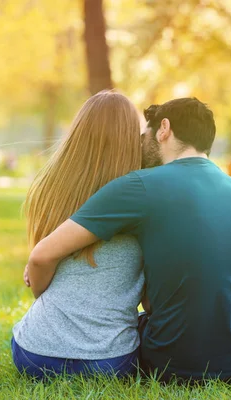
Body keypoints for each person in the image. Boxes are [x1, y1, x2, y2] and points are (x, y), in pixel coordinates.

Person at [25, 97, 231, 383]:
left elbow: (43, 254)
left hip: (177, 366)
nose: (140, 144)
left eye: (144, 134)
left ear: (163, 129)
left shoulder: (140, 185)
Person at [12, 91, 144, 380]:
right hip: (110, 362)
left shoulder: (51, 187)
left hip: (34, 352)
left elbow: (40, 263)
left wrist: (44, 298)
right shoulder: (142, 197)